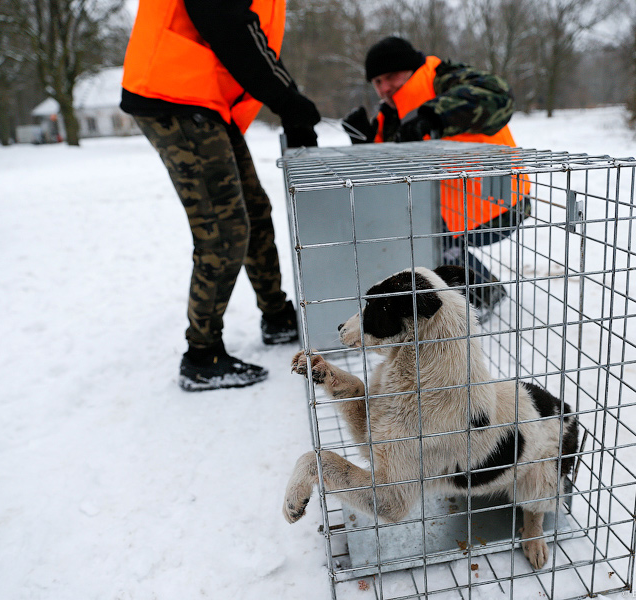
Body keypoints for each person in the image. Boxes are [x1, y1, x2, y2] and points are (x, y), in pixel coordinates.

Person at [120, 0, 320, 391]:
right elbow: (228, 24)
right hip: (173, 94)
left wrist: (290, 105)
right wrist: (289, 101)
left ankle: (277, 316)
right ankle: (202, 354)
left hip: (204, 98)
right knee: (224, 230)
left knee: (254, 211)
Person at [342, 36, 530, 310]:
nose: (384, 88)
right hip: (453, 211)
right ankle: (477, 286)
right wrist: (366, 145)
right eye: (377, 82)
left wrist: (434, 116)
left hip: (501, 204)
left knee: (424, 238)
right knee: (407, 230)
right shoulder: (390, 116)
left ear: (411, 69)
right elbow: (392, 175)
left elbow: (499, 95)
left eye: (391, 77)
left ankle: (483, 293)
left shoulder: (442, 79)